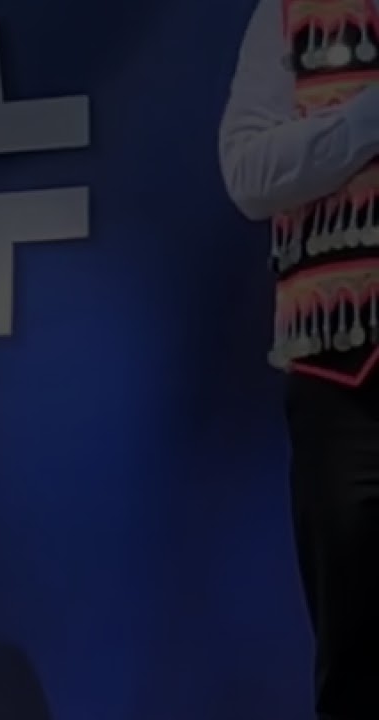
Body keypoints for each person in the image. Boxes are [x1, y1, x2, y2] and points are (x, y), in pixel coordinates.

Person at [221, 1, 379, 717]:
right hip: (340, 382)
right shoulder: (291, 12)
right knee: (354, 654)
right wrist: (365, 120)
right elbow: (248, 172)